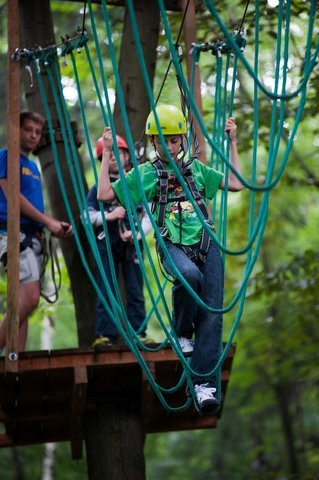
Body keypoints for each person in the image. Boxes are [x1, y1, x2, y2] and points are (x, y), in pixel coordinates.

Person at [97, 105, 242, 414]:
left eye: (174, 140)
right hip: (172, 244)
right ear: (153, 142)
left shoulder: (197, 169)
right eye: (161, 141)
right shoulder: (147, 174)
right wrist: (108, 151)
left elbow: (236, 183)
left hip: (207, 243)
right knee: (189, 278)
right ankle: (180, 332)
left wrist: (232, 143)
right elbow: (105, 196)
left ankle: (205, 386)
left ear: (182, 140)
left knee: (213, 313)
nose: (168, 146)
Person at [0, 111, 73, 354]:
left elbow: (32, 207)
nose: (33, 135)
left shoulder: (32, 166)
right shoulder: (7, 157)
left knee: (25, 304)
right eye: (27, 129)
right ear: (16, 130)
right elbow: (13, 197)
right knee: (29, 298)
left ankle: (17, 360)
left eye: (37, 131)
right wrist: (48, 221)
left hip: (32, 236)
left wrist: (52, 224)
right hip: (12, 233)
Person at [85, 134, 153, 350]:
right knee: (107, 287)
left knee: (135, 288)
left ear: (127, 155)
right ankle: (106, 334)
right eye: (108, 154)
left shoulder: (136, 185)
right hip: (107, 243)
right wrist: (108, 216)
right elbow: (87, 217)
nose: (113, 158)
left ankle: (138, 333)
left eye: (118, 153)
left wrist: (138, 234)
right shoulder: (98, 189)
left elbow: (150, 215)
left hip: (132, 244)